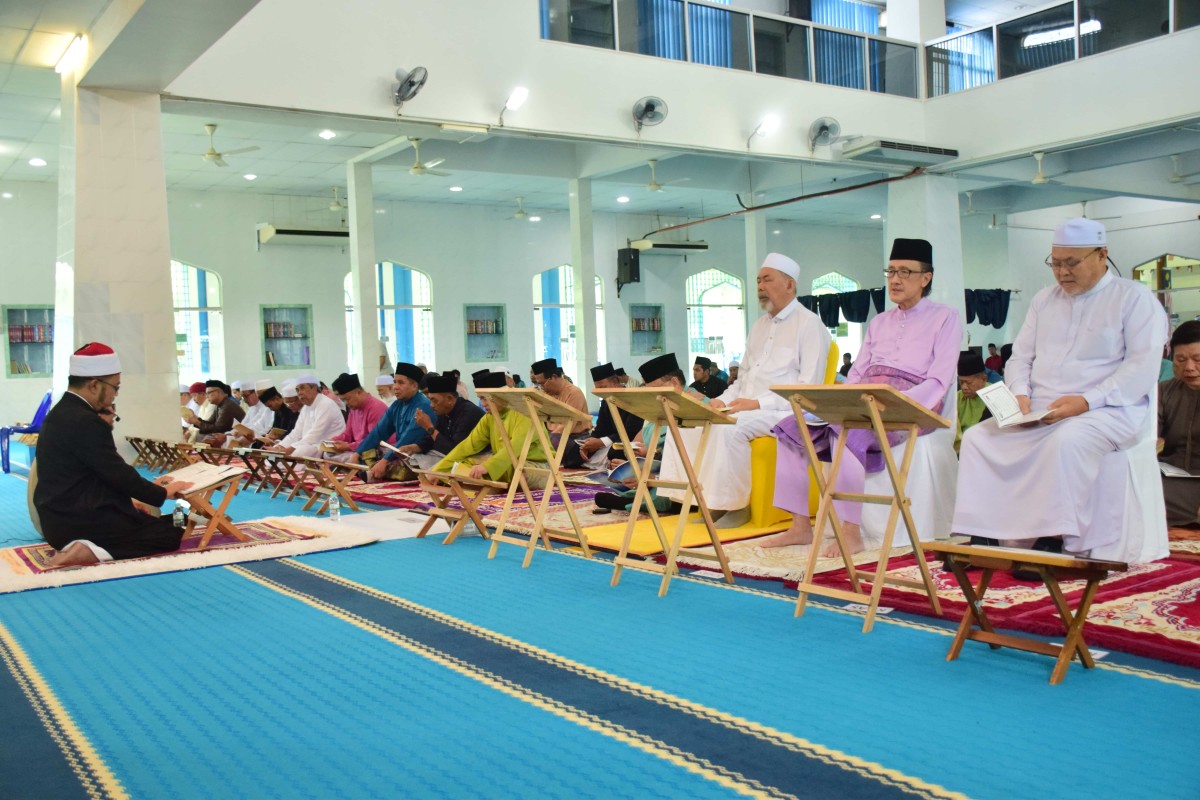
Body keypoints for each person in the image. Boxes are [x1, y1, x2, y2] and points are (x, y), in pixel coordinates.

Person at [954, 218, 1167, 557]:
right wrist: (1020, 394)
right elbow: (1020, 357)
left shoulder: (1134, 298)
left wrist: (1085, 401)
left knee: (1066, 441)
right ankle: (986, 535)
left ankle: (1053, 538)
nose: (1062, 272)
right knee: (979, 439)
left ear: (1102, 255)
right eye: (1055, 263)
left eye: (1072, 263)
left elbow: (1141, 368)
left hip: (1106, 411)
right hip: (1040, 409)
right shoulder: (1044, 300)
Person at [759, 237, 961, 555]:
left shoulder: (945, 317)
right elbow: (857, 373)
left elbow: (939, 379)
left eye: (905, 272)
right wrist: (840, 401)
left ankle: (850, 531)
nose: (895, 279)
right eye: (891, 271)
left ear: (926, 278)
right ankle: (799, 526)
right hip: (865, 398)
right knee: (791, 428)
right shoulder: (879, 321)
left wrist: (894, 402)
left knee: (848, 431)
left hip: (911, 405)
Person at [658, 252, 831, 529]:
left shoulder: (810, 324)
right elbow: (741, 380)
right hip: (747, 408)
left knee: (730, 428)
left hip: (787, 411)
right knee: (688, 426)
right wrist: (720, 401)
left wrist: (757, 403)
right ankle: (704, 500)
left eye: (767, 279)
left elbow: (808, 389)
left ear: (789, 284)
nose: (760, 286)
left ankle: (736, 505)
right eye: (758, 280)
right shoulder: (759, 326)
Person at [33, 343, 194, 566]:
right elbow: (117, 473)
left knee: (164, 521)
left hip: (59, 520)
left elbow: (93, 475)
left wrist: (127, 502)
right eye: (115, 388)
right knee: (169, 535)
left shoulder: (60, 412)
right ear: (94, 385)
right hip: (82, 523)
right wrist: (163, 492)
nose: (115, 395)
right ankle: (88, 551)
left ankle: (89, 545)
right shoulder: (86, 421)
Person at [433, 371, 550, 487]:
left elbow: (514, 448)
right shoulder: (489, 417)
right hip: (506, 461)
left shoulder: (525, 413)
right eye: (480, 399)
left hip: (536, 464)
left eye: (485, 398)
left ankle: (486, 487)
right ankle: (482, 486)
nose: (483, 404)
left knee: (514, 471)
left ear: (501, 396)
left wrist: (487, 467)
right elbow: (467, 446)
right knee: (462, 464)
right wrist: (438, 470)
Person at [353, 362, 435, 481]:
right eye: (395, 382)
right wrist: (357, 453)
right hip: (398, 452)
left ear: (414, 386)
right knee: (368, 453)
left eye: (401, 383)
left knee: (407, 465)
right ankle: (372, 471)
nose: (395, 387)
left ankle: (371, 472)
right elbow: (378, 432)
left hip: (418, 454)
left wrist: (385, 460)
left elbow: (408, 439)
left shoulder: (423, 406)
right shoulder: (397, 405)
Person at [392, 371, 485, 470]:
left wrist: (429, 427)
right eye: (430, 399)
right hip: (450, 458)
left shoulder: (468, 413)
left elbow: (454, 452)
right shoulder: (444, 411)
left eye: (434, 400)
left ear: (449, 399)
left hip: (475, 461)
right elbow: (431, 440)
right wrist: (412, 448)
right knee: (414, 458)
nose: (431, 405)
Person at [1158, 321, 1200, 527]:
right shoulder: (1164, 391)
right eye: (1181, 360)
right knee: (1127, 487)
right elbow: (1145, 436)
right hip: (1172, 480)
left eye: (1197, 359)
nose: (1189, 368)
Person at [565, 363, 645, 469]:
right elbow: (600, 429)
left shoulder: (634, 400)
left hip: (623, 442)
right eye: (597, 388)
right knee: (575, 449)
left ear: (615, 382)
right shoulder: (606, 400)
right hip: (606, 443)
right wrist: (590, 442)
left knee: (616, 451)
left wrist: (601, 442)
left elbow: (630, 433)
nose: (601, 392)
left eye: (603, 387)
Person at [270, 373, 346, 458]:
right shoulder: (306, 407)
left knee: (300, 451)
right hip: (311, 445)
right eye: (297, 390)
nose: (299, 393)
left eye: (302, 388)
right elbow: (296, 432)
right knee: (273, 453)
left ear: (314, 388)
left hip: (328, 446)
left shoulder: (325, 404)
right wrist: (280, 446)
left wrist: (290, 449)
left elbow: (315, 434)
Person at [322, 373, 388, 462]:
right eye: (343, 400)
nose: (346, 403)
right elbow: (348, 435)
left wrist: (349, 446)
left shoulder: (376, 407)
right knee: (327, 454)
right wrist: (332, 441)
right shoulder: (354, 409)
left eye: (348, 399)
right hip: (358, 449)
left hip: (378, 450)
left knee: (353, 458)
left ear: (358, 393)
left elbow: (374, 441)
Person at [531, 357, 590, 438]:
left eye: (542, 384)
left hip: (574, 437)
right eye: (539, 385)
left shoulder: (574, 393)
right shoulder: (546, 393)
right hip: (553, 434)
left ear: (554, 377)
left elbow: (566, 427)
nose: (542, 388)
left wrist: (548, 441)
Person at [185, 379, 245, 445]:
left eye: (208, 393)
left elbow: (217, 429)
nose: (206, 396)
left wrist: (196, 422)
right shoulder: (220, 405)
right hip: (227, 437)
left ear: (218, 392)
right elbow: (210, 423)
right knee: (201, 435)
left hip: (237, 438)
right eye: (206, 394)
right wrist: (195, 419)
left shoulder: (227, 406)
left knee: (202, 436)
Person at [955, 350, 993, 454]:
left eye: (968, 382)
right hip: (964, 451)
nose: (964, 387)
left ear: (984, 379)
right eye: (961, 382)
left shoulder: (996, 396)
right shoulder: (957, 398)